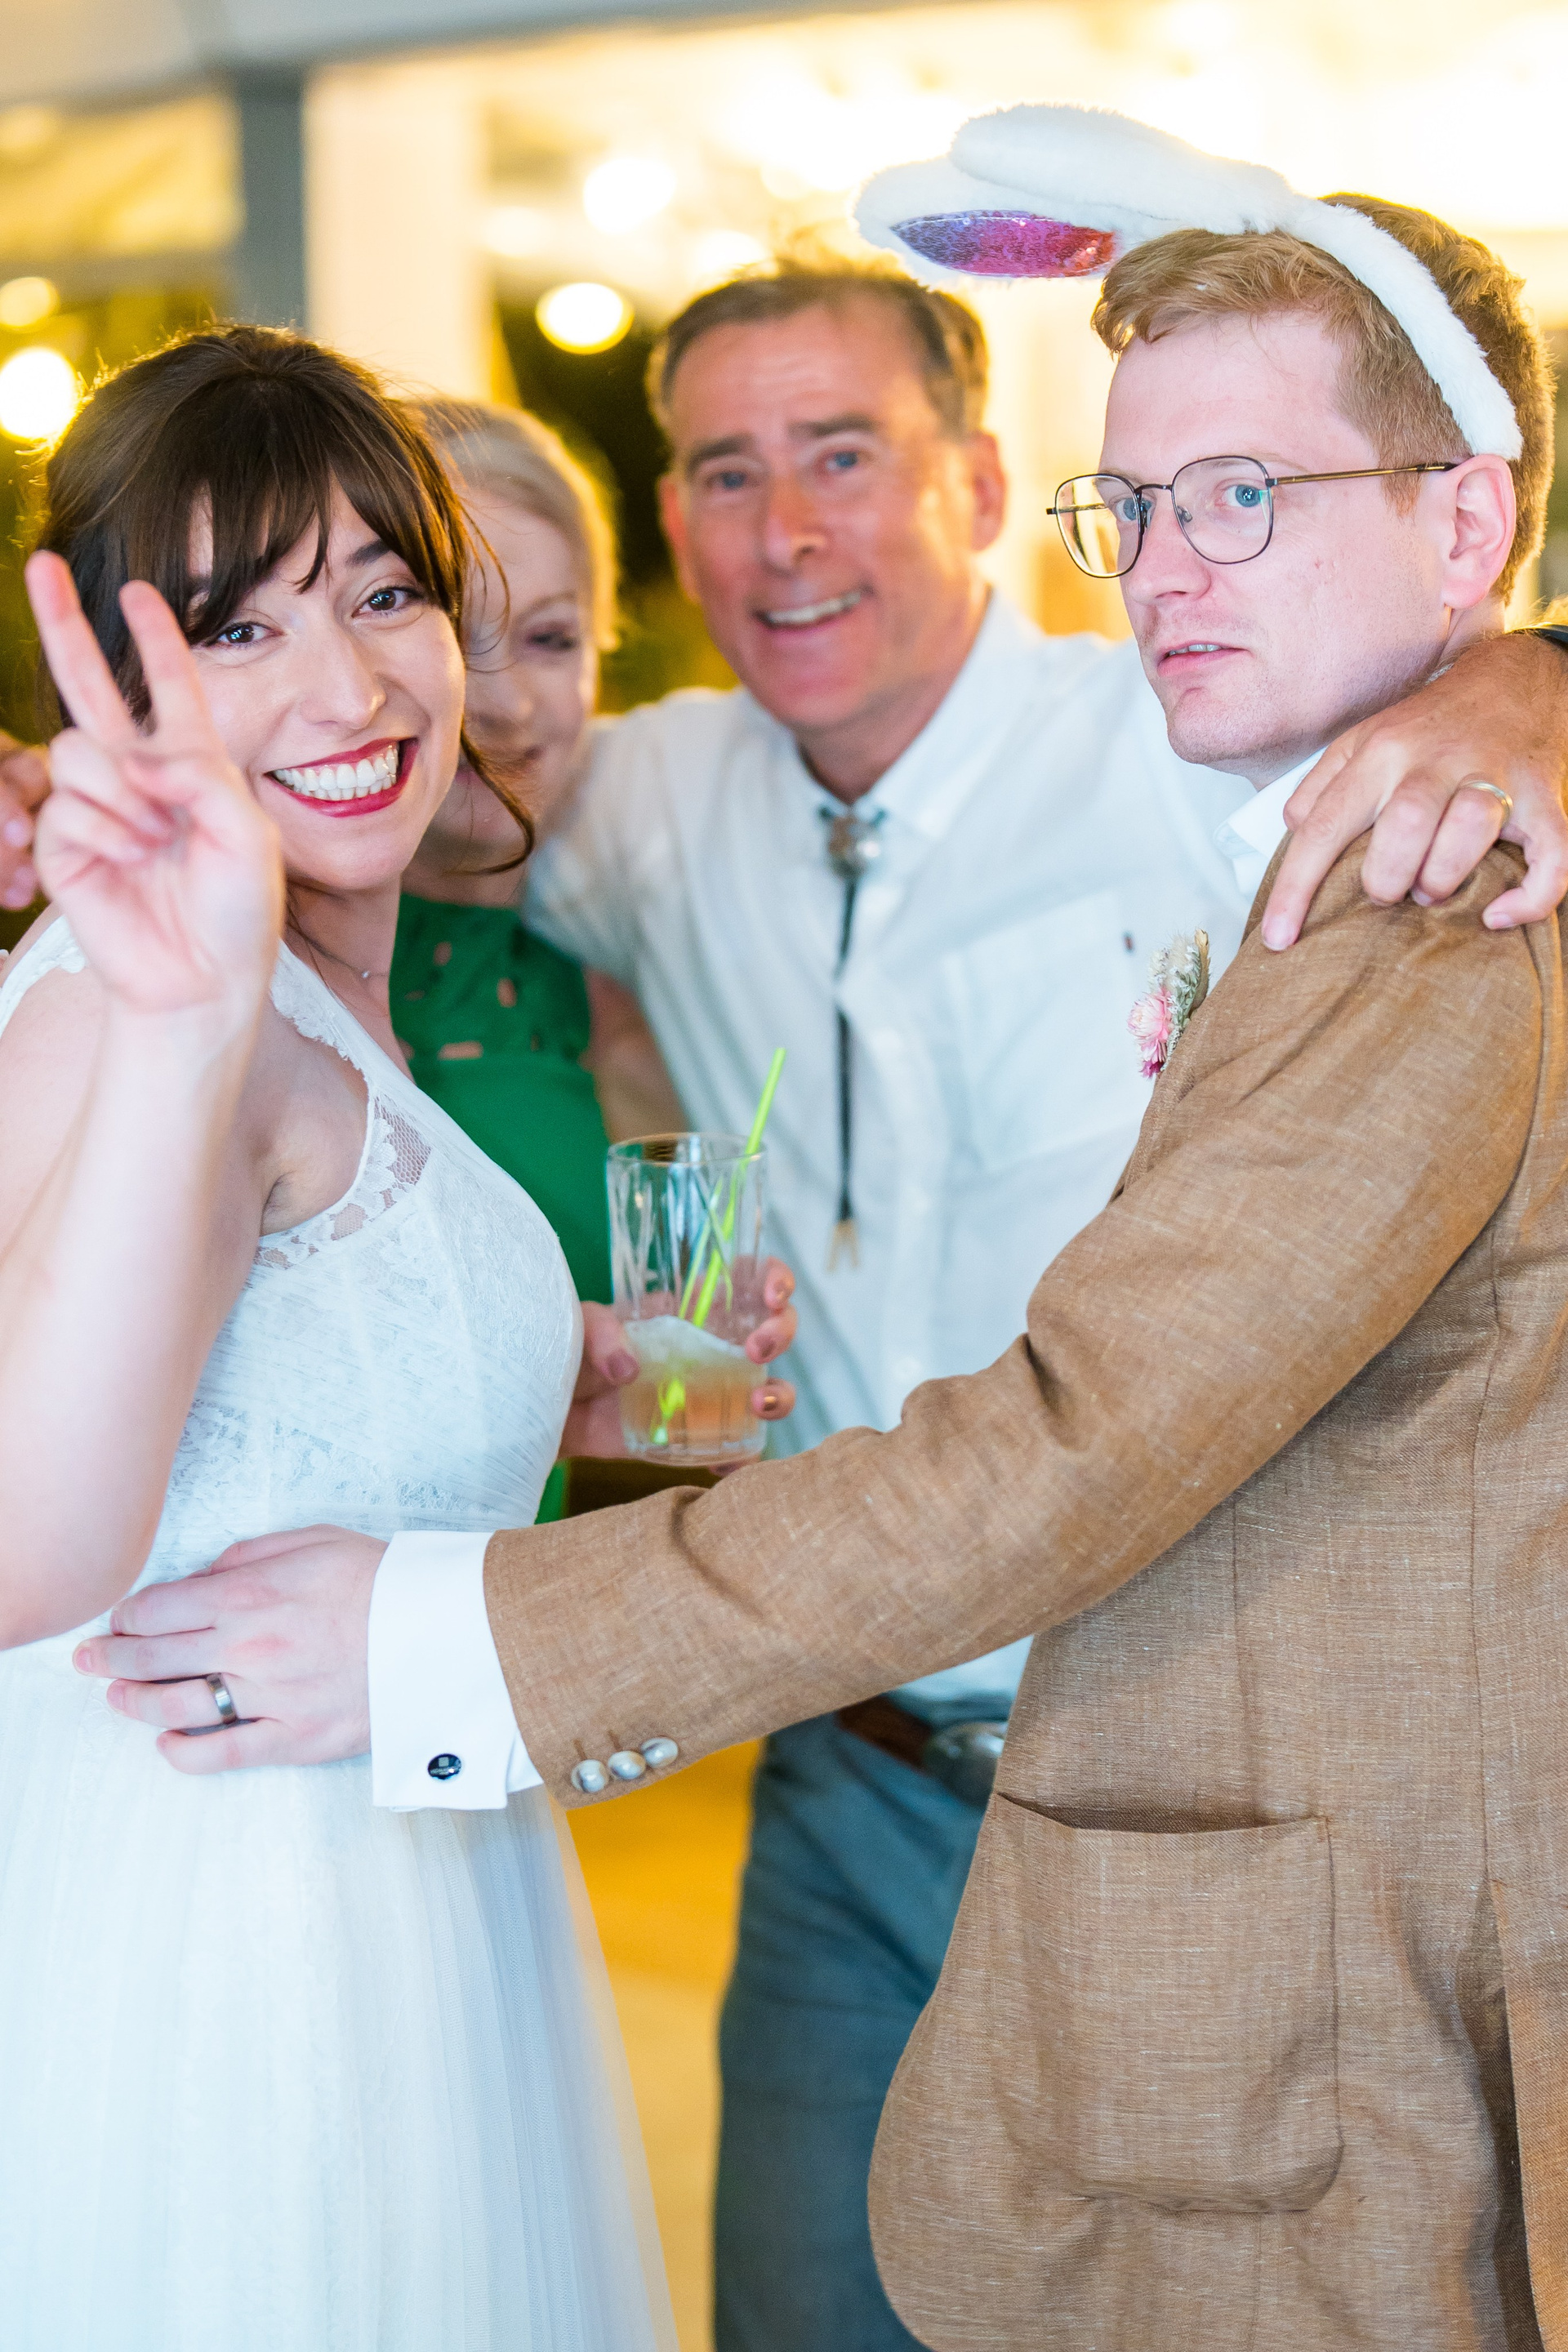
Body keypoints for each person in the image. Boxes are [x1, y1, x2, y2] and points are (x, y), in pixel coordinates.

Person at [85, 125, 1568, 2345]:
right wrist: (93, 790)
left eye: (1244, 495)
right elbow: (386, 770)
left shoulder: (1370, 837)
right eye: (1138, 507)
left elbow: (1080, 1435)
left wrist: (1533, 670)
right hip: (838, 1752)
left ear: (968, 486)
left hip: (1226, 1836)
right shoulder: (657, 800)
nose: (1172, 566)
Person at [0, 323, 802, 2350]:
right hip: (235, 1975)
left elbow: (270, 1359)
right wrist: (181, 1025)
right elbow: (22, 1537)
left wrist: (565, 1363)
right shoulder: (153, 1000)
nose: (351, 688)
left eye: (384, 595)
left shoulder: (332, 992)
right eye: (238, 629)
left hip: (404, 1896)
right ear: (120, 688)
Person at [391, 398, 684, 1320]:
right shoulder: (249, 975)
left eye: (550, 639)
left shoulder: (625, 974)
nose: (508, 704)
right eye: (452, 638)